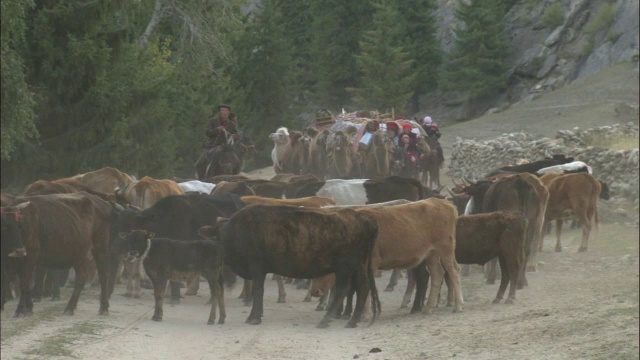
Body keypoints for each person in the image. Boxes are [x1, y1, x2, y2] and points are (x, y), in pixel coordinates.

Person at [195, 104, 239, 179]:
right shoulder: (212, 121)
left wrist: (234, 136)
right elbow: (208, 132)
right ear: (219, 112)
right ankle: (202, 177)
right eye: (222, 110)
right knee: (200, 162)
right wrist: (217, 130)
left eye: (226, 111)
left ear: (228, 113)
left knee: (237, 161)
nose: (224, 112)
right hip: (212, 146)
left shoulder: (232, 124)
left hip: (227, 147)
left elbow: (237, 135)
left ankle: (236, 177)